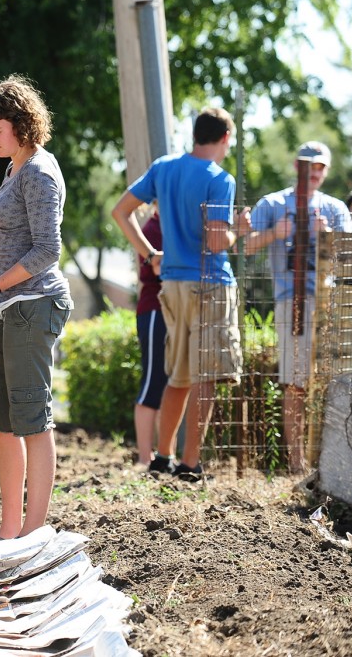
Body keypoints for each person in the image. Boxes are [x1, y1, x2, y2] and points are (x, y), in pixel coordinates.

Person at [0, 75, 73, 539]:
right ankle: (9, 532)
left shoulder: (39, 171)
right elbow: (9, 242)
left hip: (34, 303)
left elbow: (47, 249)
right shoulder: (14, 168)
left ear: (22, 124)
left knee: (32, 420)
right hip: (11, 305)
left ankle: (33, 535)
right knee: (2, 422)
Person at [111, 107, 248, 483]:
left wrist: (150, 254)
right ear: (224, 139)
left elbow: (121, 212)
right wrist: (240, 229)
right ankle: (190, 464)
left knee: (178, 375)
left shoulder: (164, 168)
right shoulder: (220, 178)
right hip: (210, 283)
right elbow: (217, 241)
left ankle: (162, 456)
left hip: (170, 284)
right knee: (206, 375)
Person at [245, 141, 352, 472]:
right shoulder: (272, 203)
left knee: (333, 382)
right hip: (291, 302)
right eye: (308, 166)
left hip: (330, 306)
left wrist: (328, 236)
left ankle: (330, 461)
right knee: (295, 381)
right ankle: (296, 463)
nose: (314, 172)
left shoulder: (335, 209)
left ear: (326, 171)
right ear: (296, 166)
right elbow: (245, 246)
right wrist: (275, 233)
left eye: (320, 167)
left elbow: (350, 260)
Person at [134, 205, 168, 465]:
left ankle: (165, 455)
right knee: (152, 383)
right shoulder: (152, 229)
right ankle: (146, 459)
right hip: (155, 310)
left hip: (174, 311)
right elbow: (158, 270)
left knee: (170, 385)